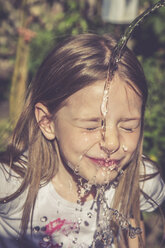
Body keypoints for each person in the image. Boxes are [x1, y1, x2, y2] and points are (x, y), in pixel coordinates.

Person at [0, 33, 165, 248]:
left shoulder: (140, 181)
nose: (112, 143)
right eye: (91, 126)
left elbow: (134, 224)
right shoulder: (13, 184)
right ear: (48, 122)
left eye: (128, 126)